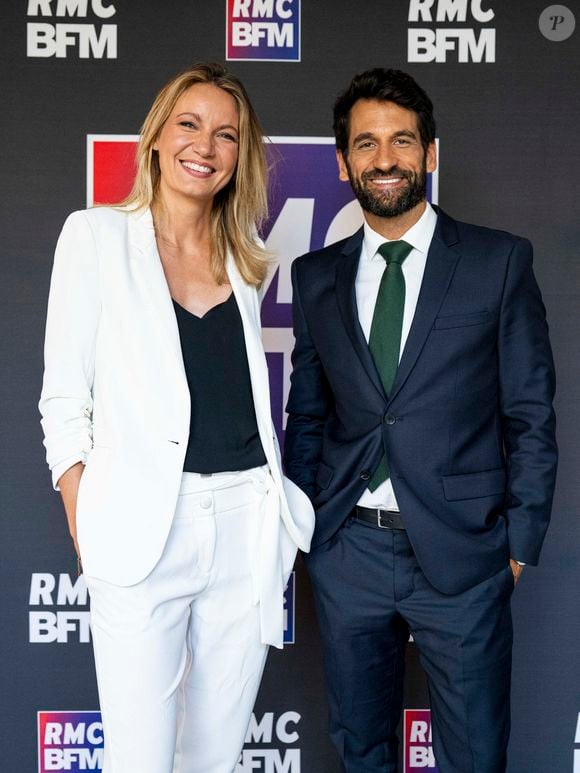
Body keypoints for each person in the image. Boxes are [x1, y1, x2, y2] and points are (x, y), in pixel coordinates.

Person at [39, 62, 314, 773]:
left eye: (227, 134)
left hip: (245, 523)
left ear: (237, 158)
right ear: (157, 136)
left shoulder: (243, 257)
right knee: (139, 757)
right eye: (190, 124)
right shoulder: (95, 237)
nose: (206, 144)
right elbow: (65, 400)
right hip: (140, 527)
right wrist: (84, 517)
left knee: (215, 756)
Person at [283, 68, 557, 773]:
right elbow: (307, 412)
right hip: (350, 552)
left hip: (465, 557)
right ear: (343, 160)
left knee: (473, 754)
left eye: (402, 140)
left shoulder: (498, 262)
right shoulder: (316, 277)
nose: (384, 159)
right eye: (366, 143)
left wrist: (518, 543)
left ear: (429, 153)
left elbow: (529, 413)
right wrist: (312, 527)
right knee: (361, 749)